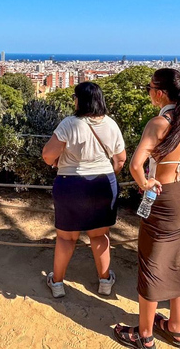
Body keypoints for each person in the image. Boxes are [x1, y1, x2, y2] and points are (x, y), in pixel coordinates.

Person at [114, 68, 180, 349]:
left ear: (160, 93)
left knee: (150, 264)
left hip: (164, 199)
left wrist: (146, 183)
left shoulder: (159, 123)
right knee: (176, 262)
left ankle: (145, 333)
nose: (148, 92)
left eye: (149, 87)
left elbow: (136, 165)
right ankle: (176, 328)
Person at [41, 82, 127, 299]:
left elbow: (47, 154)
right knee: (100, 235)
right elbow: (121, 159)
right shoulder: (111, 124)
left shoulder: (69, 124)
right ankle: (105, 281)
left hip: (71, 183)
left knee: (66, 238)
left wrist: (57, 162)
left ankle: (58, 283)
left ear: (81, 100)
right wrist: (107, 174)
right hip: (102, 183)